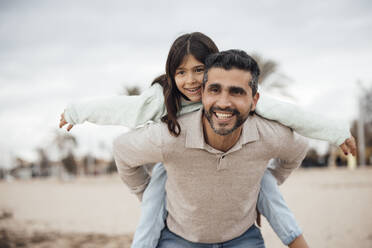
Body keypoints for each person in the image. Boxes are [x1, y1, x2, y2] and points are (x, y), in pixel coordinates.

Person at [59, 32, 356, 248]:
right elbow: (122, 110)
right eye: (181, 72)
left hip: (243, 186)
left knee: (264, 183)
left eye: (198, 70)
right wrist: (78, 111)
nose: (190, 80)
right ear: (171, 75)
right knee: (152, 208)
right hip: (171, 166)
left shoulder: (240, 102)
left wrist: (335, 132)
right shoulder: (161, 101)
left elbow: (292, 115)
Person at [113, 49, 310, 247]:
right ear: (203, 94)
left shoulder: (268, 136)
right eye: (214, 90)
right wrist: (145, 192)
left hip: (242, 238)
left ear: (254, 101)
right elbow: (122, 150)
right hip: (179, 239)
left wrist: (265, 180)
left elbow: (298, 150)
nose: (223, 103)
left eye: (237, 92)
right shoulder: (171, 137)